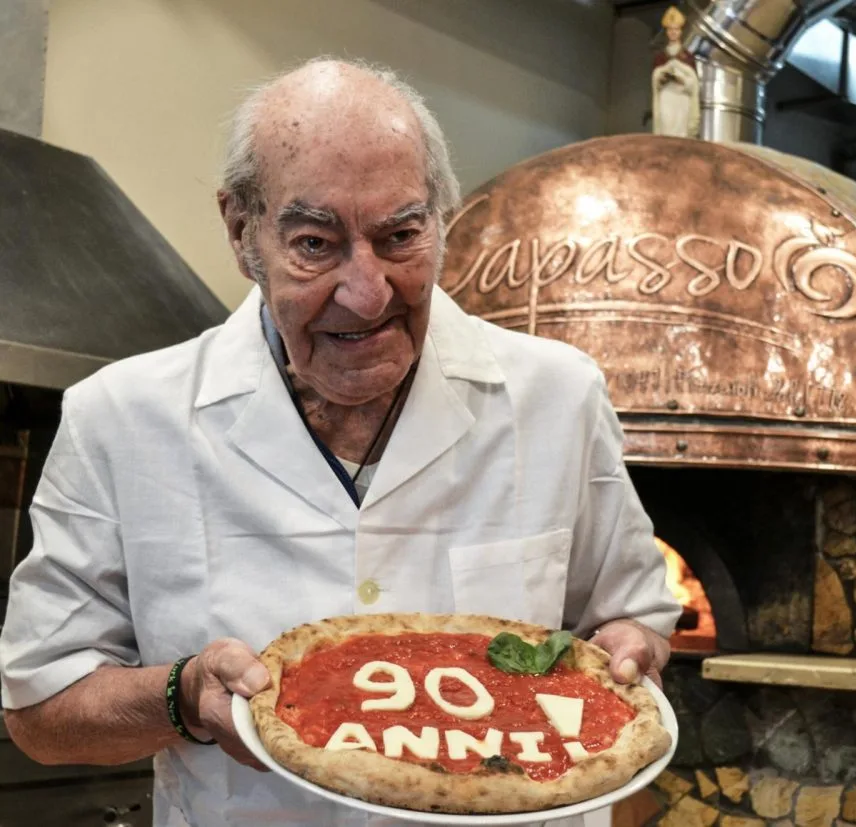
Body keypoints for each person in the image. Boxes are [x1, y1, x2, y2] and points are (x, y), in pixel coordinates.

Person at [0, 58, 680, 826]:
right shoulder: (121, 418)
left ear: (440, 220)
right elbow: (39, 707)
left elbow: (631, 617)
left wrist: (630, 645)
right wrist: (183, 697)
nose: (367, 291)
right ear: (240, 230)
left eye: (400, 235)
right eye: (317, 243)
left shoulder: (558, 395)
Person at [652, 6, 701, 138]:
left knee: (681, 133)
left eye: (676, 29)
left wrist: (681, 79)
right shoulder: (660, 57)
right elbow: (655, 80)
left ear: (680, 31)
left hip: (682, 99)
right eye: (670, 29)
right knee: (666, 128)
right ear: (667, 32)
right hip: (666, 97)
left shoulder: (687, 57)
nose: (673, 32)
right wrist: (662, 76)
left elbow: (694, 83)